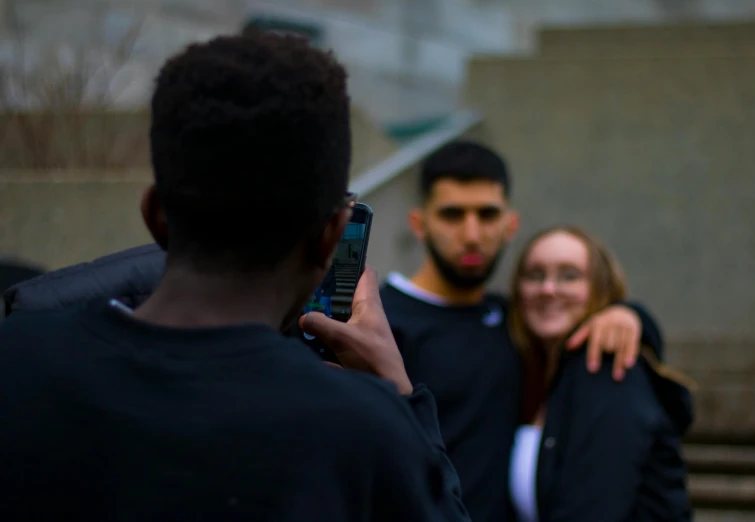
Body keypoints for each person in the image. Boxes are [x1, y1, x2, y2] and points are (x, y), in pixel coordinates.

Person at [0, 34, 470, 522]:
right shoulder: (363, 433)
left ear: (156, 215)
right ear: (330, 236)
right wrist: (403, 404)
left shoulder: (17, 359)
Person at [379, 140, 664, 522]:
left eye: (487, 214)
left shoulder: (517, 322)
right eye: (452, 214)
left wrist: (629, 316)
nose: (472, 233)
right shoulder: (378, 323)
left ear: (510, 224)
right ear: (419, 224)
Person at [507, 225, 694, 522]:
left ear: (600, 288)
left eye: (569, 276)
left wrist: (631, 315)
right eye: (535, 275)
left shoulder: (606, 369)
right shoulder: (532, 375)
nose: (548, 289)